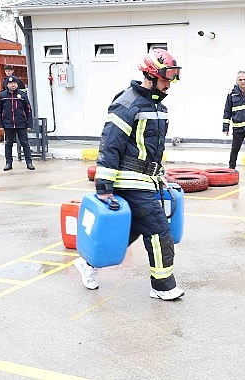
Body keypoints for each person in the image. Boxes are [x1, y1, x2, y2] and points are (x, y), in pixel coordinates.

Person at [73, 48, 184, 300]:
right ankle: (162, 286)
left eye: (172, 78)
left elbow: (151, 148)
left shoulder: (158, 106)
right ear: (151, 75)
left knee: (130, 231)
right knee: (159, 231)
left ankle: (88, 265)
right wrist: (104, 187)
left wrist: (160, 174)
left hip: (147, 180)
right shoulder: (127, 103)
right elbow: (110, 144)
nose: (169, 83)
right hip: (129, 181)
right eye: (166, 78)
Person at [0, 75, 35, 171]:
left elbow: (28, 110)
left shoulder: (22, 95)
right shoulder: (2, 95)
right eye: (11, 83)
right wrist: (0, 124)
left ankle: (29, 163)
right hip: (8, 124)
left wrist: (29, 124)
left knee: (25, 143)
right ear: (7, 85)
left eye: (15, 83)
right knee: (8, 144)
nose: (13, 85)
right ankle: (8, 163)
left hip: (21, 124)